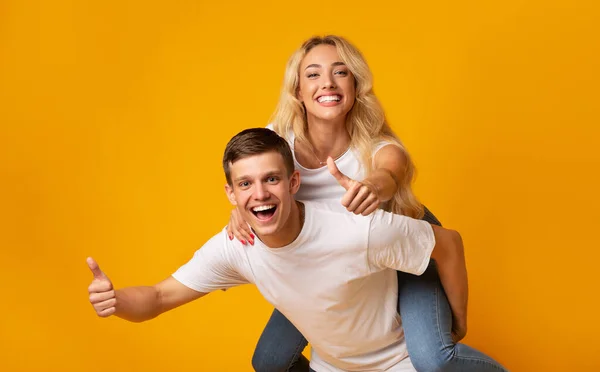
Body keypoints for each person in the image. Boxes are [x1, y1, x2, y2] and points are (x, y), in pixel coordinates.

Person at [88, 128, 476, 372]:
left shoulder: (359, 229)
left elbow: (449, 243)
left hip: (398, 362)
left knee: (437, 360)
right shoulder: (237, 246)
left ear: (293, 183)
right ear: (231, 194)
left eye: (271, 179)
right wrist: (116, 300)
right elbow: (158, 296)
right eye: (246, 184)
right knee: (269, 361)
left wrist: (458, 322)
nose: (259, 194)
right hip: (334, 365)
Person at [226, 36, 506, 372]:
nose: (327, 83)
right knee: (269, 361)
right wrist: (240, 213)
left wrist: (376, 185)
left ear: (356, 86)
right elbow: (250, 180)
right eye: (313, 75)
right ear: (298, 91)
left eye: (341, 72)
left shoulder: (377, 144)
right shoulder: (277, 140)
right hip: (339, 266)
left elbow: (390, 169)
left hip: (403, 255)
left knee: (436, 360)